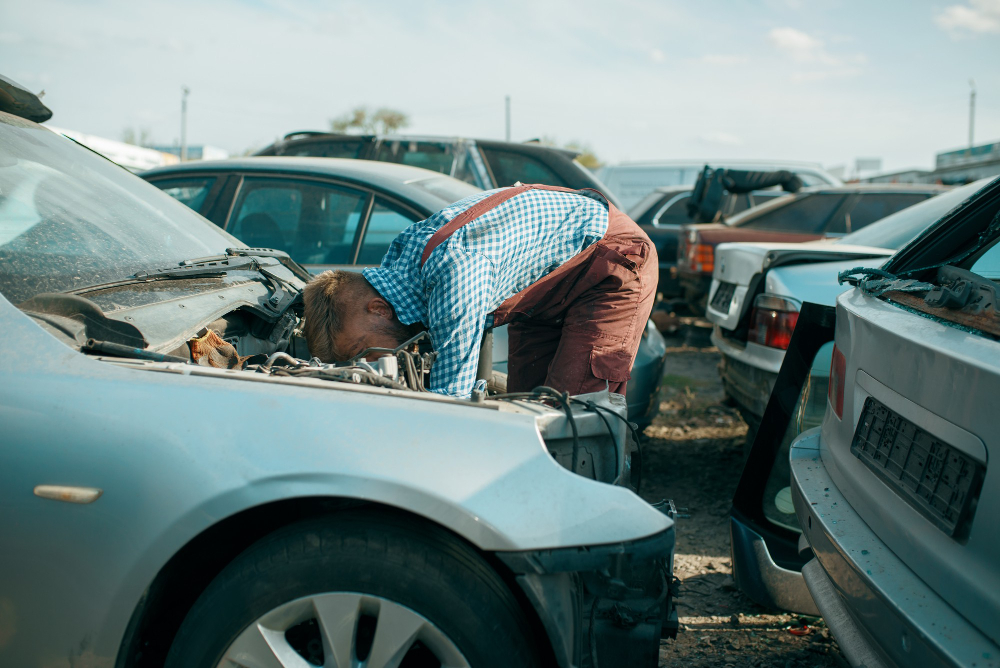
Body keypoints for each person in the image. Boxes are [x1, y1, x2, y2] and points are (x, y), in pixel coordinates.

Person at [303, 183, 657, 398]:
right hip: (544, 288)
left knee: (572, 410)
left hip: (608, 262)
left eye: (363, 350)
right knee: (527, 408)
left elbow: (450, 402)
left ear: (378, 309)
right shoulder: (397, 264)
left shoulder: (455, 275)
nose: (370, 363)